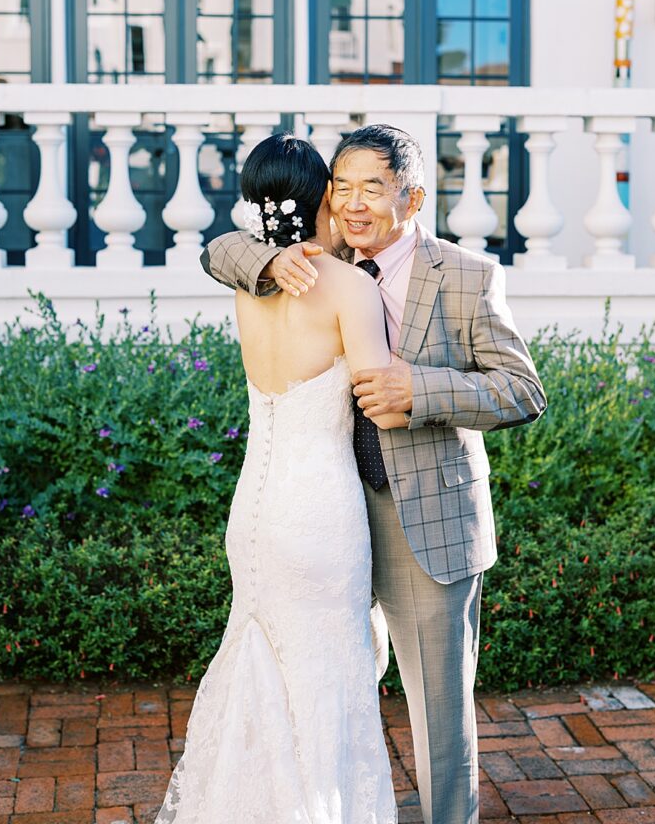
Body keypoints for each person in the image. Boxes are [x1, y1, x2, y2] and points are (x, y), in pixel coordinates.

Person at [201, 123, 547, 824]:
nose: (354, 204)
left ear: (412, 197)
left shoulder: (467, 274)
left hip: (420, 519)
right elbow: (220, 249)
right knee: (330, 682)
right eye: (342, 187)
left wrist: (419, 392)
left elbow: (521, 390)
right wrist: (258, 258)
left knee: (436, 713)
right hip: (328, 518)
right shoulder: (302, 263)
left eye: (372, 188)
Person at [155, 133, 399, 824]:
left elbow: (230, 251)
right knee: (324, 677)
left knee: (261, 668)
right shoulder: (350, 287)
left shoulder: (249, 284)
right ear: (324, 197)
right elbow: (378, 398)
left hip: (254, 511)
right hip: (319, 511)